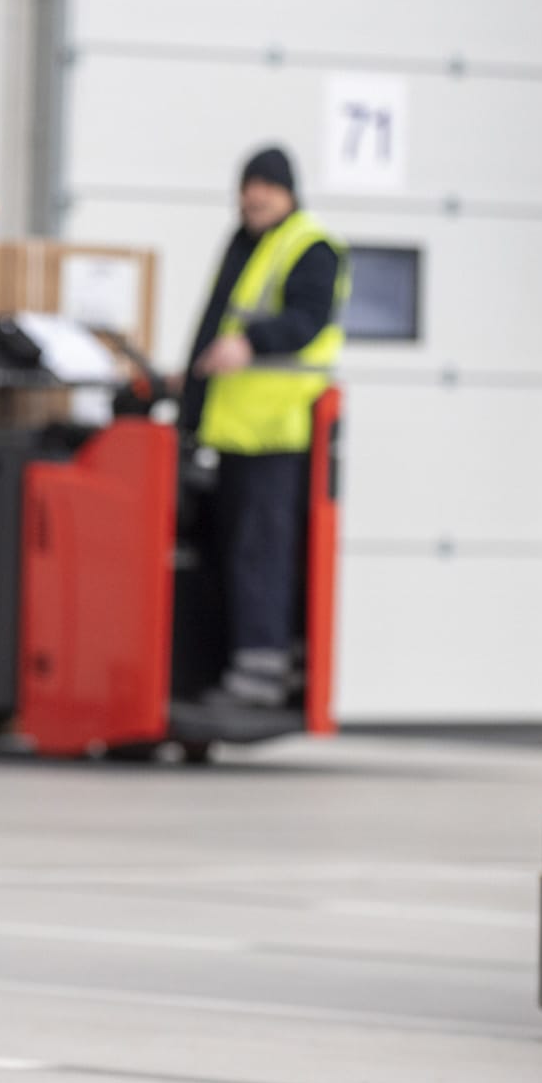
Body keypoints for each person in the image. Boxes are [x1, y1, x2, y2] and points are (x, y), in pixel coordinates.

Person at [180, 146, 348, 709]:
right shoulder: (249, 242)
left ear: (288, 192)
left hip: (275, 433)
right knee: (239, 555)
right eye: (246, 187)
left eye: (264, 187)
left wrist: (249, 345)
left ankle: (259, 679)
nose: (253, 197)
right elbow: (216, 325)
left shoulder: (308, 246)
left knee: (261, 558)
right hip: (235, 432)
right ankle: (256, 667)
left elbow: (305, 320)